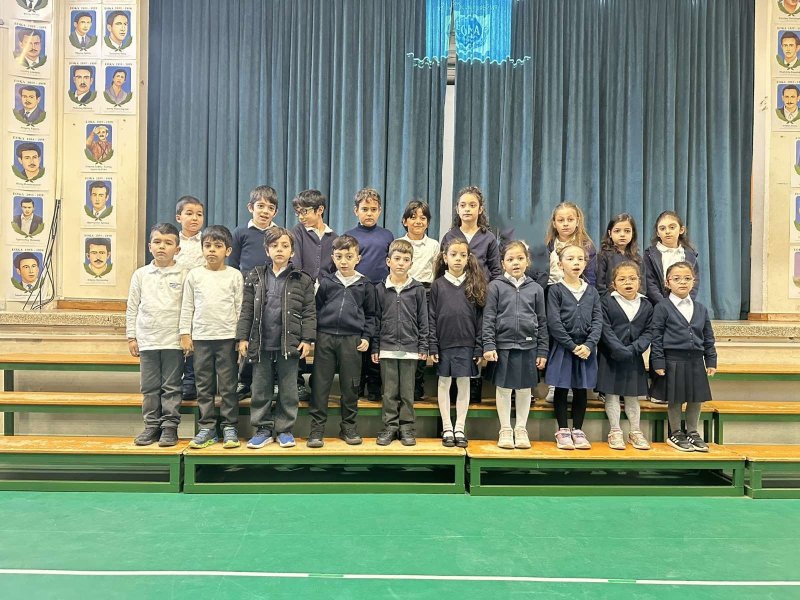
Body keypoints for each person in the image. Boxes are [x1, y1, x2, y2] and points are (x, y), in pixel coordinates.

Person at [237, 228, 316, 449]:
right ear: (267, 250)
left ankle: (284, 430)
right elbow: (246, 309)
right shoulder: (255, 275)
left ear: (292, 251)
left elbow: (309, 312)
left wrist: (307, 339)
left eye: (284, 246)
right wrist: (243, 338)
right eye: (274, 246)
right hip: (261, 343)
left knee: (288, 390)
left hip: (289, 344)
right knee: (260, 388)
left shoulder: (302, 279)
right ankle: (263, 428)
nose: (279, 250)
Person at [307, 235, 377, 447]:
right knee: (320, 385)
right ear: (333, 258)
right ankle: (316, 429)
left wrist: (366, 336)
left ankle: (349, 427)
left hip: (352, 341)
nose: (344, 261)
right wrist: (313, 335)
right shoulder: (327, 282)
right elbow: (316, 309)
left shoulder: (365, 285)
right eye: (339, 257)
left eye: (349, 256)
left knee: (350, 385)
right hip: (325, 338)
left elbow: (371, 315)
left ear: (358, 258)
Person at [180, 225, 244, 449]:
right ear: (202, 249)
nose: (212, 250)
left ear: (228, 251)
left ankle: (229, 426)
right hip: (201, 339)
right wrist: (185, 333)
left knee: (228, 386)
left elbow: (240, 309)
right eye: (207, 246)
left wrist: (240, 339)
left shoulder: (234, 275)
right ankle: (207, 427)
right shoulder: (194, 275)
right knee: (204, 385)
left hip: (227, 338)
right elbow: (187, 306)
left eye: (218, 246)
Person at [482, 241, 548, 449]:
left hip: (528, 347)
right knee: (503, 389)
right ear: (503, 263)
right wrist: (489, 345)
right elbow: (488, 318)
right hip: (503, 346)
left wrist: (542, 350)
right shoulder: (495, 287)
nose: (516, 263)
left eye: (520, 258)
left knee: (524, 389)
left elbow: (542, 321)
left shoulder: (535, 289)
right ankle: (505, 429)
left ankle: (520, 429)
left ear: (527, 261)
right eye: (510, 259)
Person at [126, 223, 186, 447]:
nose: (162, 247)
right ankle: (151, 425)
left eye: (168, 243)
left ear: (177, 249)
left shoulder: (185, 274)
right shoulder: (141, 275)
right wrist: (131, 336)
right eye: (157, 242)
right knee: (149, 387)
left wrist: (186, 335)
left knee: (172, 386)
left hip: (173, 341)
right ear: (149, 246)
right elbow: (132, 307)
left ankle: (169, 427)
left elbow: (189, 307)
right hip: (147, 340)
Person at [649, 262, 717, 452]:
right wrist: (658, 361)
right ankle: (676, 432)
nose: (682, 282)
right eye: (677, 279)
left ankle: (693, 432)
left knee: (696, 397)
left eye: (687, 278)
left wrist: (711, 359)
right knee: (676, 397)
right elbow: (656, 336)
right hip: (673, 359)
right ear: (667, 282)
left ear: (694, 281)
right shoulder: (662, 307)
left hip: (695, 359)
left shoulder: (700, 308)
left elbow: (708, 336)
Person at [441, 186, 501, 404]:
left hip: (479, 300)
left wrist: (488, 295)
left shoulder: (488, 238)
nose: (467, 209)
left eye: (472, 205)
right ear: (457, 209)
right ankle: (452, 390)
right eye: (463, 205)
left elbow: (496, 271)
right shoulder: (450, 236)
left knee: (476, 340)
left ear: (480, 209)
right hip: (454, 298)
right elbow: (441, 268)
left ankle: (474, 385)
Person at [430, 238, 486, 448]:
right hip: (444, 344)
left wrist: (479, 346)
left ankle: (459, 427)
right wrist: (432, 344)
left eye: (462, 255)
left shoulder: (474, 285)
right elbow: (431, 316)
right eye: (453, 255)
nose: (458, 259)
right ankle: (447, 427)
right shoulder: (437, 285)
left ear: (468, 258)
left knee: (464, 383)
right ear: (445, 258)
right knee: (444, 383)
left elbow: (481, 319)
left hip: (467, 344)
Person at [545, 244, 603, 450]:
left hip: (585, 350)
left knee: (580, 389)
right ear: (560, 265)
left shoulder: (592, 292)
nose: (576, 263)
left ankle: (578, 429)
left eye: (580, 259)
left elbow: (598, 321)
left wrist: (589, 344)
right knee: (561, 388)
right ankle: (562, 430)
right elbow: (554, 322)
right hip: (564, 348)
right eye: (570, 259)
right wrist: (571, 345)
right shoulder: (555, 291)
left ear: (586, 264)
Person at [371, 239, 429, 446]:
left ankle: (406, 427)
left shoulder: (418, 289)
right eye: (397, 259)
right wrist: (376, 346)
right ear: (388, 261)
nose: (401, 263)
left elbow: (423, 319)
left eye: (406, 260)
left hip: (410, 348)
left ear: (411, 263)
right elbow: (375, 319)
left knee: (407, 392)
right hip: (387, 348)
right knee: (389, 392)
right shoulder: (380, 289)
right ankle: (390, 426)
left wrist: (423, 345)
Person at [597, 262, 653, 451]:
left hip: (633, 357)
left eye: (632, 278)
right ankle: (615, 431)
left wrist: (634, 349)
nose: (627, 282)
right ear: (614, 284)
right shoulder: (606, 302)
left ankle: (635, 431)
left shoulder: (646, 305)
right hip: (610, 356)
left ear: (639, 281)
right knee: (611, 395)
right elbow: (604, 328)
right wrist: (618, 348)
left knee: (632, 396)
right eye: (622, 279)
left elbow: (649, 331)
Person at [230, 185, 279, 400]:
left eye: (270, 208)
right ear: (251, 207)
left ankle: (273, 381)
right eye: (260, 206)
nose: (265, 211)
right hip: (248, 294)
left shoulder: (278, 233)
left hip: (273, 294)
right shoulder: (240, 233)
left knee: (271, 336)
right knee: (249, 336)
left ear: (275, 212)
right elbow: (233, 265)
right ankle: (244, 380)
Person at [345, 188, 394, 401]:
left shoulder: (387, 235)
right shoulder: (349, 236)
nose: (369, 213)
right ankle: (357, 383)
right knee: (359, 335)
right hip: (357, 291)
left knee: (376, 335)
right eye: (365, 209)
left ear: (380, 210)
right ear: (356, 210)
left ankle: (374, 383)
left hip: (381, 291)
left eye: (373, 209)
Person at [290, 189, 336, 401]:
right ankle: (297, 382)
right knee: (300, 335)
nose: (301, 216)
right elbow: (296, 264)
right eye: (298, 212)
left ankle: (319, 383)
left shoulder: (333, 237)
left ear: (320, 210)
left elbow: (336, 269)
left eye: (305, 211)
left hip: (326, 295)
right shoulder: (297, 232)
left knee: (323, 338)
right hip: (302, 293)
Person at [399, 199, 439, 401]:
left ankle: (418, 382)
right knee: (405, 333)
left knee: (423, 334)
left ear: (428, 222)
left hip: (427, 291)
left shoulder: (434, 245)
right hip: (404, 291)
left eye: (423, 218)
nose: (418, 221)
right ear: (405, 221)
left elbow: (437, 272)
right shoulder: (398, 243)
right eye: (413, 217)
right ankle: (401, 383)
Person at [173, 195, 205, 401]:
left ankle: (191, 380)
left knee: (195, 340)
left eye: (199, 214)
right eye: (189, 213)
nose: (195, 218)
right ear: (179, 217)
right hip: (175, 298)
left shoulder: (206, 241)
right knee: (177, 339)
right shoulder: (172, 241)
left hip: (200, 300)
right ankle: (174, 380)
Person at [643, 210, 699, 310]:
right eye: (662, 228)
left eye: (672, 227)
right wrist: (665, 305)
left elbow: (694, 282)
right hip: (658, 307)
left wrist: (685, 302)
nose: (667, 231)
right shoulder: (650, 254)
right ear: (657, 233)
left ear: (681, 230)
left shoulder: (690, 255)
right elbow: (650, 283)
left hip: (684, 306)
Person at [596, 213, 643, 296]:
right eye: (617, 231)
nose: (622, 234)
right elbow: (600, 286)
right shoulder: (603, 256)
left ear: (633, 233)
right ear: (610, 233)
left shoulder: (637, 258)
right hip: (610, 300)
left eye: (627, 231)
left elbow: (642, 287)